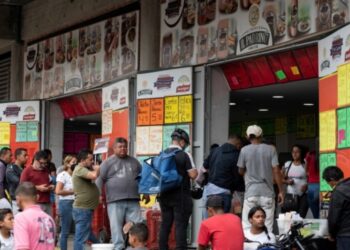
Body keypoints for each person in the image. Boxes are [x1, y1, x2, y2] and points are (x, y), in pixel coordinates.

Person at [96, 138, 149, 250]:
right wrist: (99, 194)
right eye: (120, 147)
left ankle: (134, 247)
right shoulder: (107, 162)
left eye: (125, 146)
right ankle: (119, 247)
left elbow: (142, 178)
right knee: (116, 227)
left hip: (133, 199)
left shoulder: (134, 161)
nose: (123, 149)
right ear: (114, 148)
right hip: (115, 200)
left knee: (136, 226)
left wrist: (146, 193)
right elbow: (100, 179)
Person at [237, 125, 284, 232]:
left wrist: (247, 174)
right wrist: (281, 191)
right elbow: (276, 170)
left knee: (247, 225)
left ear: (248, 137)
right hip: (267, 193)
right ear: (261, 136)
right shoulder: (271, 149)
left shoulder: (244, 150)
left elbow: (240, 170)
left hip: (251, 193)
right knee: (267, 225)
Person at [159, 128, 198, 250]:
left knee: (165, 225)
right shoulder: (185, 155)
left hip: (164, 195)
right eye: (185, 143)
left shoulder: (162, 154)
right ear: (182, 141)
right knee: (180, 226)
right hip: (180, 196)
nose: (185, 146)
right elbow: (193, 175)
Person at [203, 135, 244, 214]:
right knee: (222, 222)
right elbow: (237, 177)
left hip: (209, 192)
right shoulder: (236, 154)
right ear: (238, 144)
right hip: (224, 193)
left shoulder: (215, 150)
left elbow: (205, 166)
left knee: (210, 220)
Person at [14, 182, 56, 250]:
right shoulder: (49, 219)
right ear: (38, 197)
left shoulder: (21, 218)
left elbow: (22, 248)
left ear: (18, 199)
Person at [72, 149, 100, 250]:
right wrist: (97, 169)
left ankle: (100, 246)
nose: (92, 161)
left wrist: (96, 169)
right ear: (83, 160)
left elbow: (94, 176)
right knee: (80, 238)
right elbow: (94, 175)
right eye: (90, 159)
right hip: (82, 209)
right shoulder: (80, 169)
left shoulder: (84, 169)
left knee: (87, 234)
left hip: (85, 209)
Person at [322, 166, 350, 250]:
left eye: (328, 182)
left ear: (332, 179)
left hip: (345, 235)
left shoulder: (338, 192)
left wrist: (331, 234)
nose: (329, 185)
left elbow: (333, 217)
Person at [20, 150, 54, 215]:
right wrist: (38, 188)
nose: (43, 165)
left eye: (45, 163)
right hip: (35, 203)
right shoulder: (27, 171)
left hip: (47, 202)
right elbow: (22, 186)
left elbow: (50, 182)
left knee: (48, 223)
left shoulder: (46, 170)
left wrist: (51, 186)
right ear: (35, 160)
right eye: (41, 163)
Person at [282, 145, 308, 218]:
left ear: (301, 153)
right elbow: (280, 179)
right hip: (290, 196)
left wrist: (307, 185)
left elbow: (311, 178)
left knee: (301, 217)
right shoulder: (287, 164)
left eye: (297, 152)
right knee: (289, 217)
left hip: (303, 195)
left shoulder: (305, 164)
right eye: (293, 152)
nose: (294, 154)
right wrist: (287, 182)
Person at [55, 155, 76, 250]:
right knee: (65, 231)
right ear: (67, 164)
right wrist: (73, 191)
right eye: (73, 162)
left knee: (80, 229)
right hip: (66, 203)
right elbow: (58, 191)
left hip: (76, 202)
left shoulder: (76, 175)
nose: (75, 164)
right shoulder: (63, 175)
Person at [6, 148, 28, 214]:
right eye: (25, 155)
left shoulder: (24, 168)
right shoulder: (11, 169)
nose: (27, 157)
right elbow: (20, 182)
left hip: (25, 199)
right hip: (16, 201)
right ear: (18, 157)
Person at [305, 150, 320, 218]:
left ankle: (318, 222)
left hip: (312, 186)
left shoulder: (309, 156)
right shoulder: (325, 156)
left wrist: (310, 174)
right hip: (323, 185)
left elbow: (306, 171)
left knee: (315, 213)